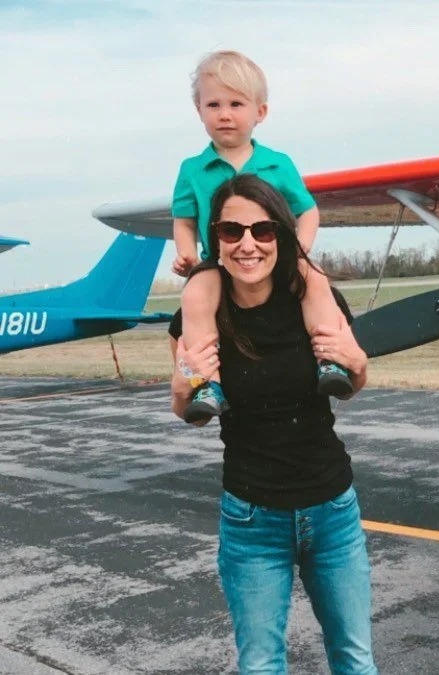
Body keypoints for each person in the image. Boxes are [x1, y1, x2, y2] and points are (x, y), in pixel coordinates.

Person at [169, 174, 377, 674]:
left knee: (354, 659)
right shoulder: (201, 301)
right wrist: (181, 389)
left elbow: (350, 384)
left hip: (331, 510)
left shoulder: (311, 290)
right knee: (261, 663)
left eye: (262, 231)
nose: (248, 245)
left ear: (280, 233)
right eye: (232, 231)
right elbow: (189, 411)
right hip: (252, 519)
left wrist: (359, 364)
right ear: (216, 237)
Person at [172, 50, 352, 424]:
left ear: (260, 112)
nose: (224, 114)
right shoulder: (192, 170)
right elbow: (184, 220)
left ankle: (330, 360)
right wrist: (187, 253)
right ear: (199, 110)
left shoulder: (279, 164)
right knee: (194, 293)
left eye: (236, 104)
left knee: (314, 277)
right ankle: (207, 384)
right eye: (213, 104)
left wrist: (300, 249)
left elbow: (307, 210)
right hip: (219, 262)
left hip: (276, 257)